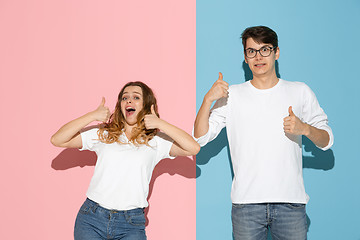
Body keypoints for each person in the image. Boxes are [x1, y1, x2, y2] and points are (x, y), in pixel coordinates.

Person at [194, 26, 334, 240]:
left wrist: (304, 129)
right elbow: (200, 137)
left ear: (277, 52)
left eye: (265, 50)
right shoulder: (232, 96)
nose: (258, 57)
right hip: (246, 205)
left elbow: (327, 140)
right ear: (245, 57)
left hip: (291, 203)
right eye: (252, 51)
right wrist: (207, 100)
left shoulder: (300, 91)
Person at [51, 81, 200, 240]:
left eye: (136, 97)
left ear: (146, 105)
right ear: (120, 106)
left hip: (131, 223)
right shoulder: (104, 134)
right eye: (124, 98)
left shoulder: (156, 141)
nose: (129, 101)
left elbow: (193, 148)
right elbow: (57, 139)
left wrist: (160, 124)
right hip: (92, 218)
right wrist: (92, 116)